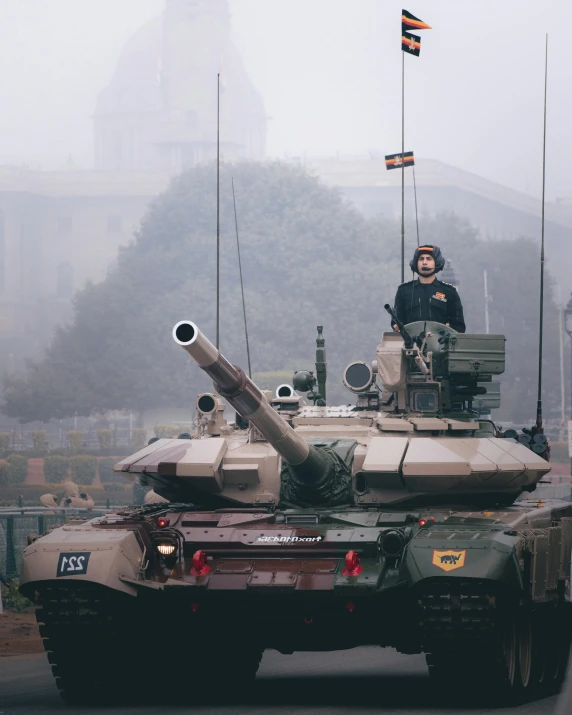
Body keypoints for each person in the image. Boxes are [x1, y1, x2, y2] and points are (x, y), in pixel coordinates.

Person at [392, 245, 466, 332]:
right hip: (411, 344)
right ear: (415, 263)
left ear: (436, 262)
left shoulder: (449, 292)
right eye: (421, 259)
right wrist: (396, 326)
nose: (424, 262)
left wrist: (448, 329)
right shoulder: (404, 291)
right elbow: (396, 323)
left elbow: (459, 327)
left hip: (441, 344)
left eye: (429, 259)